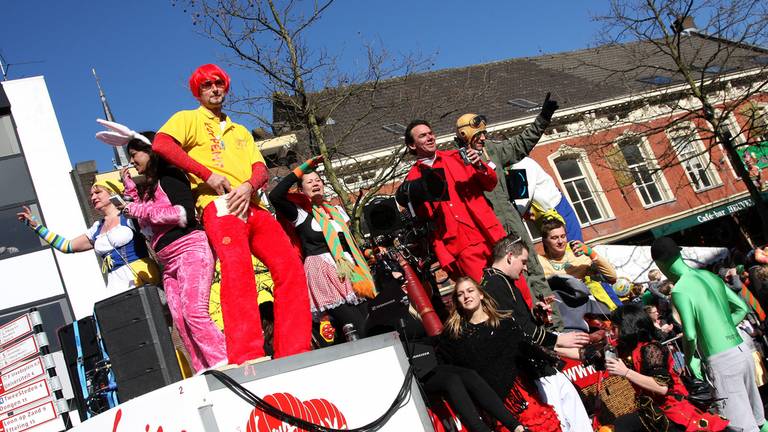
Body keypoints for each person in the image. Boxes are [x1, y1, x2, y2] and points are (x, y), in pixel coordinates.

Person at [152, 63, 310, 363]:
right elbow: (162, 144)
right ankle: (246, 353)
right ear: (198, 92)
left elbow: (260, 168)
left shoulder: (239, 131)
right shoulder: (188, 119)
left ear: (225, 87)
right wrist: (206, 174)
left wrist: (250, 186)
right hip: (219, 205)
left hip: (253, 205)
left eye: (218, 84)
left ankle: (295, 348)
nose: (213, 89)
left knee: (289, 265)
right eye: (206, 86)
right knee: (239, 273)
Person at [111, 129, 226, 372]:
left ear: (151, 151)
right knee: (182, 323)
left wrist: (139, 210)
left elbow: (183, 214)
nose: (132, 161)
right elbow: (146, 220)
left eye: (134, 154)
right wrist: (131, 191)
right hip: (167, 263)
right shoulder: (152, 187)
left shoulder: (172, 176)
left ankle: (224, 362)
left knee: (194, 313)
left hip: (189, 251)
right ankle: (205, 371)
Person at [453, 96, 563, 328]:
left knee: (534, 271)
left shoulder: (492, 150)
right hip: (492, 235)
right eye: (478, 134)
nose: (484, 137)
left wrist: (544, 117)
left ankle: (555, 326)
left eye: (484, 133)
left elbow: (521, 143)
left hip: (513, 224)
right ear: (465, 136)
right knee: (515, 281)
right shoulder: (454, 163)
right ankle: (533, 328)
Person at [652, 236, 768, 432]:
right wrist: (721, 327)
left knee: (741, 426)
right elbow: (740, 307)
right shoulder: (708, 275)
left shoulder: (680, 290)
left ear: (661, 265)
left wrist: (690, 359)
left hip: (721, 361)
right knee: (759, 419)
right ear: (679, 253)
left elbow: (689, 334)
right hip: (741, 349)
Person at [480, 235, 592, 432]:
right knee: (566, 423)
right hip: (532, 371)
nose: (525, 268)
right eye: (523, 261)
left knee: (576, 418)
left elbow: (520, 322)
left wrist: (537, 316)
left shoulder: (501, 282)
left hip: (540, 366)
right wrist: (560, 338)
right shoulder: (494, 284)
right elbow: (517, 329)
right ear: (509, 257)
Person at [268, 155, 373, 339]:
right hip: (323, 273)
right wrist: (303, 168)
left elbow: (348, 244)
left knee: (371, 322)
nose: (315, 183)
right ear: (301, 189)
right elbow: (275, 196)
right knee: (356, 326)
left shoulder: (336, 212)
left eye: (318, 180)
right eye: (309, 181)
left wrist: (366, 253)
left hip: (351, 273)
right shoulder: (301, 214)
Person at [440, 277, 562, 432]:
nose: (466, 296)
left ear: (481, 294)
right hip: (490, 404)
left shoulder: (506, 324)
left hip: (521, 396)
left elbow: (531, 348)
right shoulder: (453, 335)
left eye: (470, 290)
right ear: (457, 301)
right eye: (460, 294)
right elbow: (451, 370)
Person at [395, 120, 505, 282]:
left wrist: (479, 166)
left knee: (518, 287)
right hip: (461, 246)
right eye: (423, 136)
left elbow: (491, 184)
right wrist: (444, 255)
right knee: (489, 293)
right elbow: (425, 222)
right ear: (412, 145)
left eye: (430, 133)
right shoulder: (412, 181)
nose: (430, 138)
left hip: (490, 234)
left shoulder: (458, 157)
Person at [17, 180, 160, 292]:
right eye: (91, 194)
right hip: (115, 284)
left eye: (98, 192)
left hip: (142, 277)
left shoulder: (130, 215)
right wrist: (37, 227)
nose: (93, 197)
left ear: (113, 193)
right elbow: (66, 246)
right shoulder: (96, 228)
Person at [605, 304, 729, 431]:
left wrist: (626, 372)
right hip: (653, 411)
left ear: (627, 327)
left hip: (672, 409)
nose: (612, 332)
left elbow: (662, 387)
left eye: (614, 327)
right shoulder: (629, 349)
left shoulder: (651, 348)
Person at [538, 217, 621, 310]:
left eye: (563, 236)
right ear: (545, 241)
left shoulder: (580, 258)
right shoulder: (539, 262)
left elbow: (612, 278)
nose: (560, 241)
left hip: (585, 311)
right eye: (554, 238)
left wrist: (591, 253)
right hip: (560, 313)